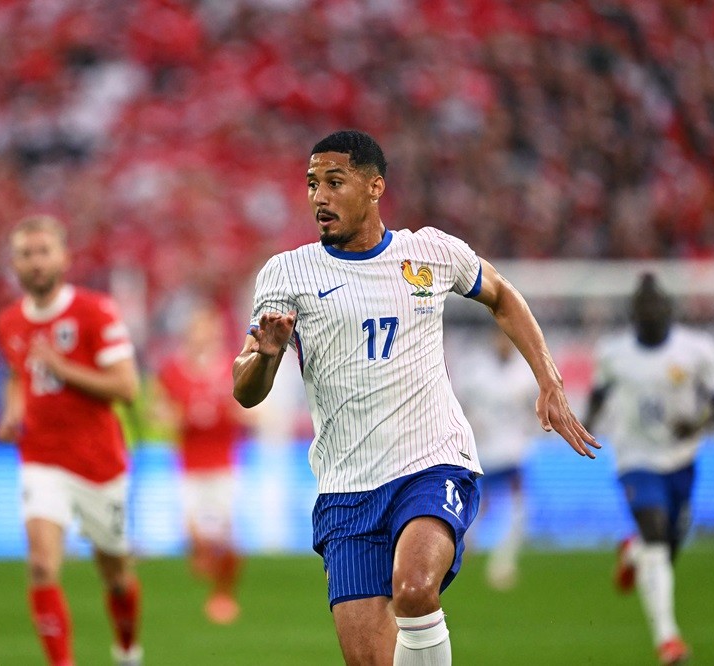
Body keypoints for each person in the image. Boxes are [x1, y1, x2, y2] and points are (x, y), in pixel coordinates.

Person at [232, 130, 599, 666]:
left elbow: (501, 295)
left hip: (432, 462)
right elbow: (246, 390)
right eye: (312, 184)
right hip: (347, 490)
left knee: (414, 588)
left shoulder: (429, 252)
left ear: (375, 185)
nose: (319, 197)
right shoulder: (286, 274)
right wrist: (266, 355)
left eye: (335, 182)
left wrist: (549, 378)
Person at [0, 214, 143, 666]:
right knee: (41, 564)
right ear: (14, 263)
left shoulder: (95, 311)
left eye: (43, 251)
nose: (35, 262)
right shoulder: (8, 322)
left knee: (115, 574)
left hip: (99, 461)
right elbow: (20, 375)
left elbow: (126, 387)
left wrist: (63, 369)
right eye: (25, 254)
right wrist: (13, 410)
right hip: (41, 456)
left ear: (63, 258)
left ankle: (127, 651)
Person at [582, 273, 714, 666]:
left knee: (666, 545)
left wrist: (696, 425)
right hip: (636, 460)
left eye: (655, 306)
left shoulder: (696, 349)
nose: (649, 314)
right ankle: (668, 639)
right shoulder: (614, 354)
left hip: (682, 459)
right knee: (656, 536)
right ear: (632, 314)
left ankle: (632, 553)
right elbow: (598, 395)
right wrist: (584, 428)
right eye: (641, 308)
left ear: (669, 309)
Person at [153, 302, 245, 624]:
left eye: (209, 329)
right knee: (195, 535)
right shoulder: (173, 371)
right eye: (198, 330)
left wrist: (233, 412)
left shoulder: (231, 367)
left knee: (225, 535)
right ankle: (204, 559)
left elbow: (249, 408)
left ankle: (223, 596)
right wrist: (176, 417)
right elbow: (157, 410)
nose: (204, 336)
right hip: (189, 466)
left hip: (222, 464)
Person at [452, 328, 539, 591]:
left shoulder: (524, 374)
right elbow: (459, 402)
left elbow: (533, 409)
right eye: (500, 338)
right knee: (479, 507)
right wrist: (468, 422)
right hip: (483, 453)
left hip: (513, 452)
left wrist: (529, 429)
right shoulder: (477, 371)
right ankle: (465, 545)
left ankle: (502, 562)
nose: (504, 344)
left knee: (519, 508)